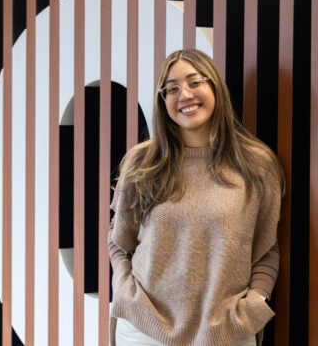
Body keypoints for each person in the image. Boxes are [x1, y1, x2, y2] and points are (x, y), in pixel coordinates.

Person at [108, 49, 285, 346]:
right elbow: (118, 241)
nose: (184, 95)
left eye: (194, 82)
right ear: (163, 102)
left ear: (214, 86)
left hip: (227, 331)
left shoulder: (256, 164)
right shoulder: (142, 162)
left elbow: (266, 248)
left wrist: (254, 303)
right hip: (144, 330)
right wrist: (126, 289)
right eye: (172, 89)